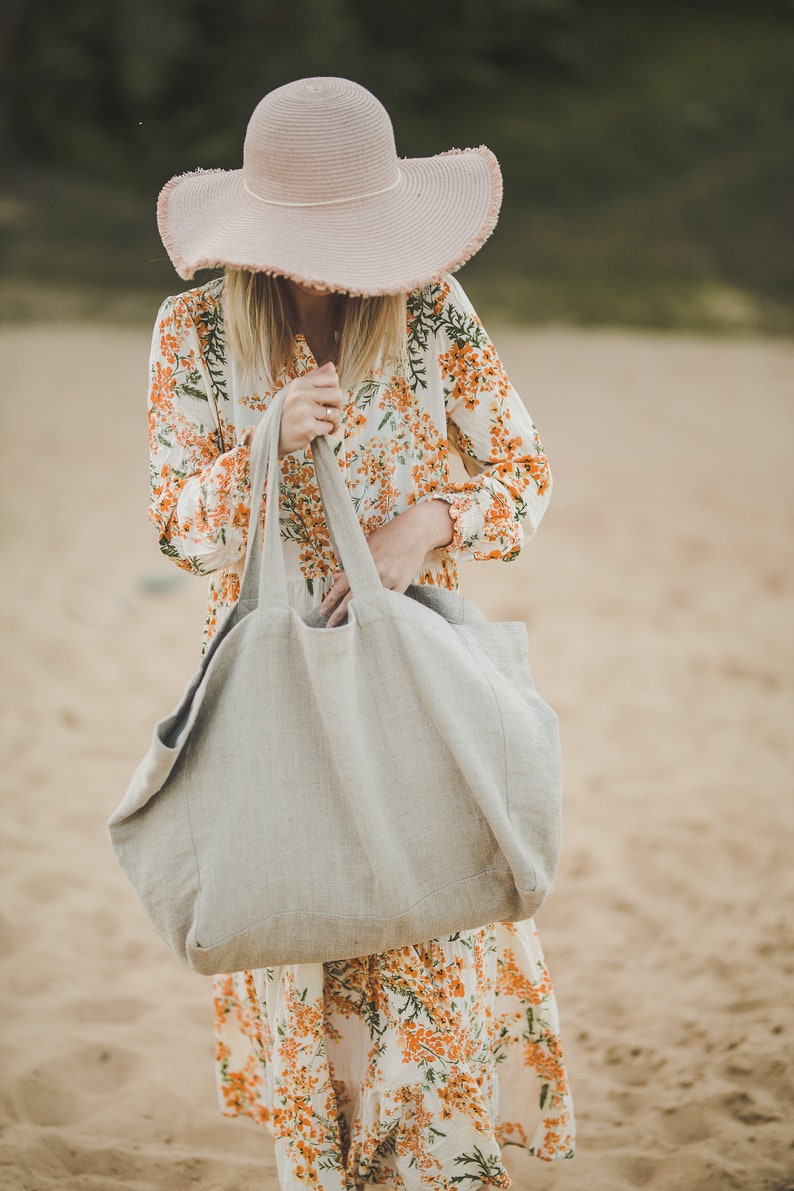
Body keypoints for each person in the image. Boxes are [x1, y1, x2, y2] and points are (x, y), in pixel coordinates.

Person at [149, 76, 574, 1190]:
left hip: (407, 688)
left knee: (430, 984)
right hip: (275, 694)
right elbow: (178, 531)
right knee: (308, 972)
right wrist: (262, 451)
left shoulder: (429, 310)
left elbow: (522, 475)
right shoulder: (193, 332)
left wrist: (423, 525)